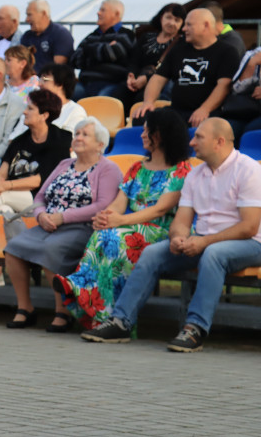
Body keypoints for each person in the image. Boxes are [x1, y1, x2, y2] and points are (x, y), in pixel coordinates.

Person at [82, 118, 261, 352]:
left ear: (219, 142)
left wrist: (204, 241)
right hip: (204, 241)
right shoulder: (196, 175)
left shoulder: (248, 170)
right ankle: (120, 322)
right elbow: (182, 220)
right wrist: (178, 237)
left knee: (214, 255)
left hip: (248, 243)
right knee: (153, 253)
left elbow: (249, 226)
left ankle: (195, 327)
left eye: (198, 137)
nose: (192, 142)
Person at [55, 109, 192, 328]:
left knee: (116, 239)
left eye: (147, 131)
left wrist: (120, 222)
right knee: (103, 233)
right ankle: (87, 295)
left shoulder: (181, 170)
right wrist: (106, 216)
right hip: (130, 226)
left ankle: (85, 294)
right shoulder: (137, 167)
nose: (142, 135)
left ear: (161, 135)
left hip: (160, 231)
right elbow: (120, 202)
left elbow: (160, 209)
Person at [3, 118, 122, 331]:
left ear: (100, 145)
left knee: (51, 249)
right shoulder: (64, 164)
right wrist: (40, 215)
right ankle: (25, 308)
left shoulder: (108, 169)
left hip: (83, 227)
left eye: (85, 134)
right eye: (77, 133)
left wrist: (63, 217)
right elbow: (39, 197)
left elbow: (102, 205)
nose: (78, 137)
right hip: (48, 224)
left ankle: (63, 311)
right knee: (13, 248)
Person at [0, 90, 72, 286]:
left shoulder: (60, 138)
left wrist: (5, 186)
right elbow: (3, 169)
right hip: (12, 197)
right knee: (6, 212)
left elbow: (41, 179)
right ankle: (15, 265)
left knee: (2, 199)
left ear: (44, 115)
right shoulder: (20, 140)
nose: (24, 112)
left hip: (41, 199)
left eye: (30, 108)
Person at [132, 9, 239, 127]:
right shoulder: (178, 50)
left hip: (209, 113)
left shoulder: (227, 52)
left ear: (206, 25)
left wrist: (204, 109)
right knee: (141, 117)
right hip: (176, 111)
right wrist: (148, 102)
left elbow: (224, 85)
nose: (183, 29)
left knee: (206, 125)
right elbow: (158, 78)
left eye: (189, 25)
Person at [119, 3, 185, 110]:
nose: (172, 23)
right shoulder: (146, 37)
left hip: (161, 84)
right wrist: (131, 76)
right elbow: (134, 60)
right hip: (137, 80)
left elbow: (172, 69)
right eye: (168, 17)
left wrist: (146, 79)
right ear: (161, 18)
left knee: (142, 99)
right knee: (118, 95)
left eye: (177, 20)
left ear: (182, 24)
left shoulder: (182, 42)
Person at [71, 0, 137, 100]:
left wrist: (89, 51)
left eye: (103, 10)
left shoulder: (126, 35)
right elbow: (75, 60)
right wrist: (105, 49)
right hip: (85, 84)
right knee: (66, 98)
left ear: (116, 14)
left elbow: (113, 53)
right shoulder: (91, 36)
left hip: (112, 84)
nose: (98, 13)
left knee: (102, 102)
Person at [13, 63, 86, 135]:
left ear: (60, 84)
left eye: (45, 79)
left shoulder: (75, 111)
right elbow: (13, 138)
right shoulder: (32, 107)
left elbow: (71, 143)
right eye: (40, 79)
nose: (39, 84)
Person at [21, 0, 74, 74]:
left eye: (29, 15)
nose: (26, 20)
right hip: (31, 82)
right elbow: (21, 63)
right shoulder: (27, 36)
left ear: (43, 13)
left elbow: (58, 68)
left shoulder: (60, 34)